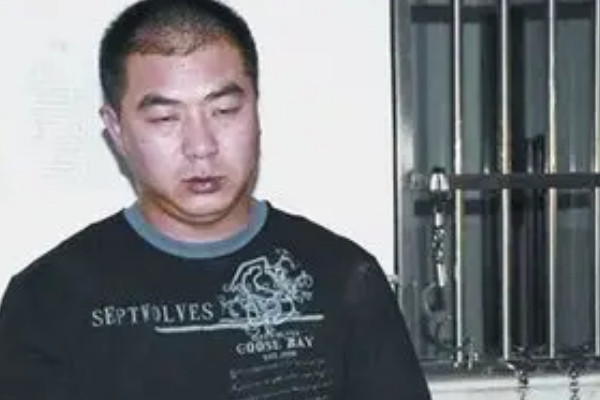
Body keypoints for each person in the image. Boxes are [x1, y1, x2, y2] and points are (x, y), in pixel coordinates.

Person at [0, 0, 432, 398]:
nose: (201, 146)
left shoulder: (344, 278)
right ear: (116, 129)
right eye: (165, 118)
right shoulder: (48, 299)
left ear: (256, 109)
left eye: (224, 111)